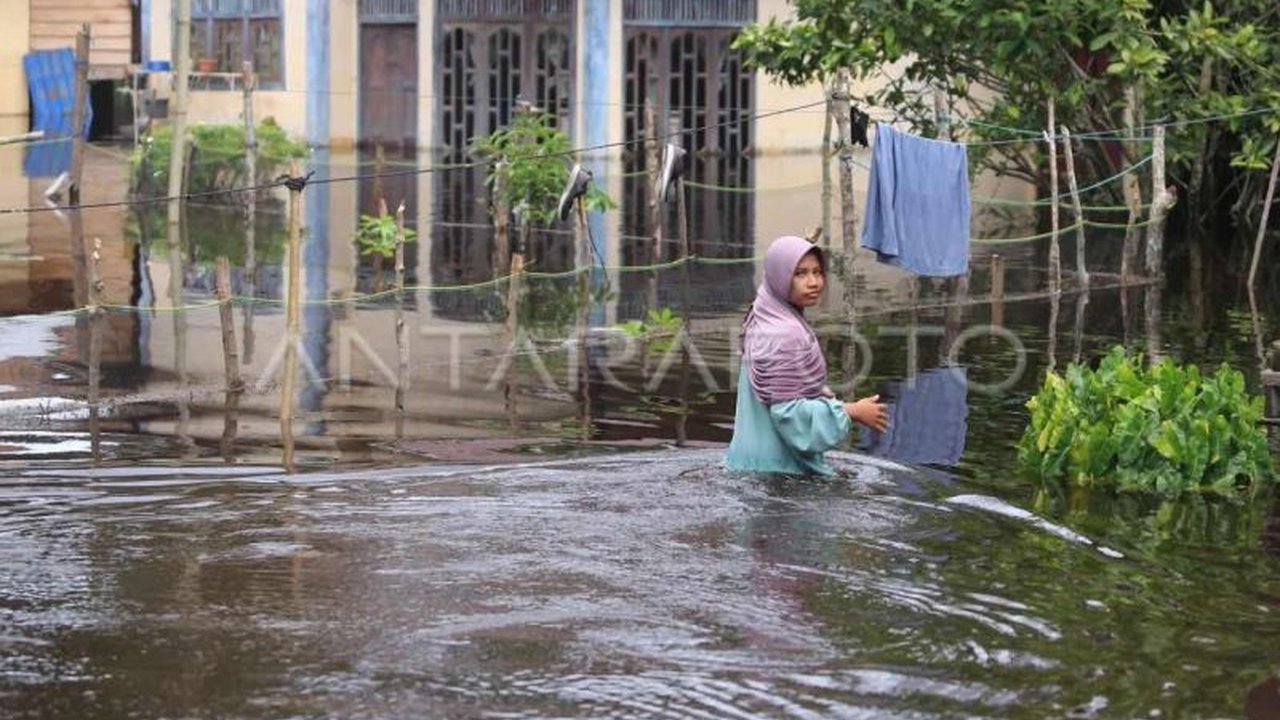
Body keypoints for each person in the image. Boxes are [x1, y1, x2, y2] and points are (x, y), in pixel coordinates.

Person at [726, 235, 888, 475]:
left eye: (817, 272)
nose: (813, 282)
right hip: (778, 473)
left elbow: (774, 385)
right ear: (780, 276)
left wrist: (815, 390)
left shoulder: (763, 315)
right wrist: (852, 411)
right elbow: (787, 413)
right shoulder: (786, 333)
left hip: (746, 463)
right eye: (800, 273)